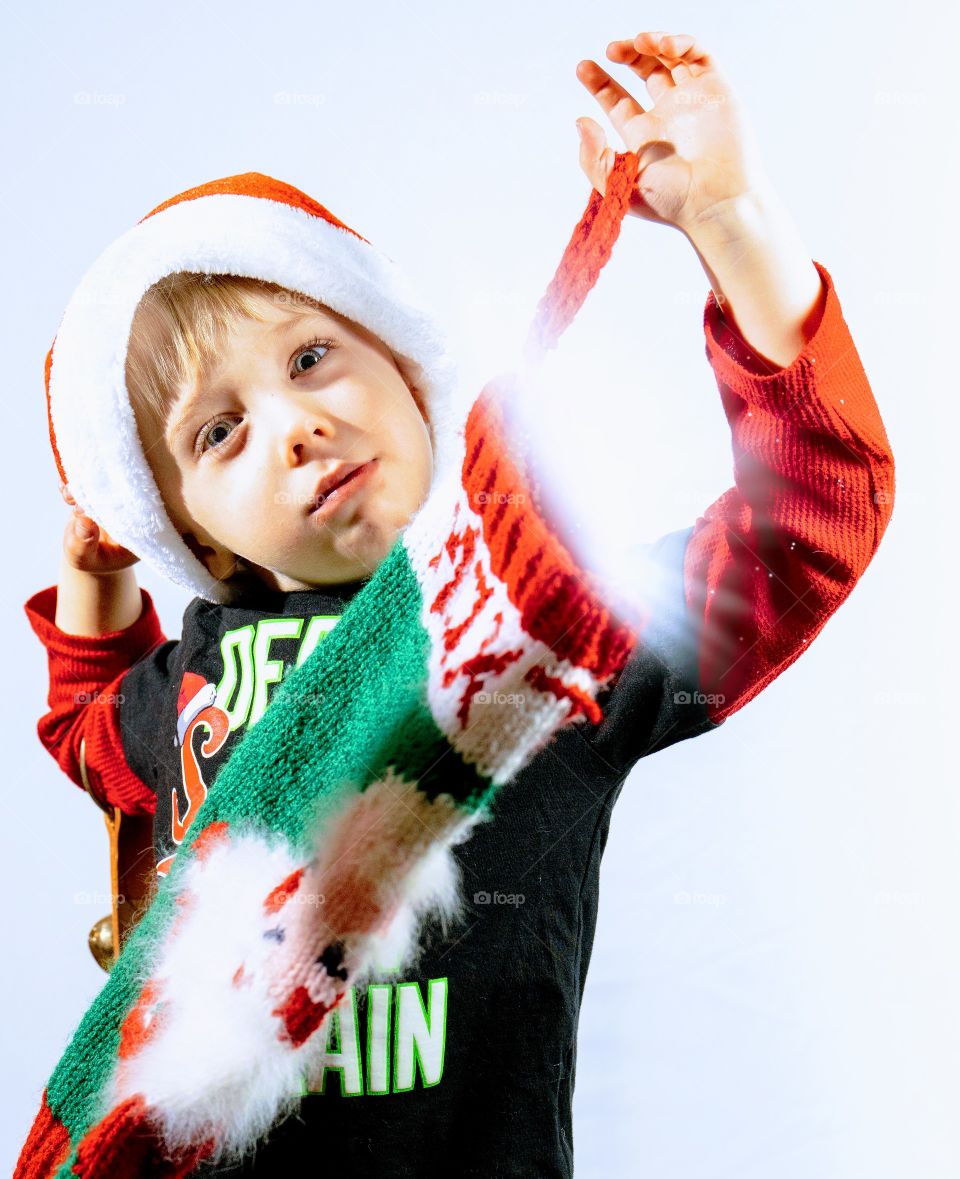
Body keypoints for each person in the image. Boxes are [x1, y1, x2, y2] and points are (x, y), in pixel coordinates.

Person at [22, 31, 894, 1177]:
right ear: (186, 533)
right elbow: (92, 734)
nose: (294, 426)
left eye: (313, 357)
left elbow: (802, 531)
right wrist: (97, 578)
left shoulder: (544, 630)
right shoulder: (190, 680)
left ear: (406, 369)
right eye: (219, 432)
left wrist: (731, 221)